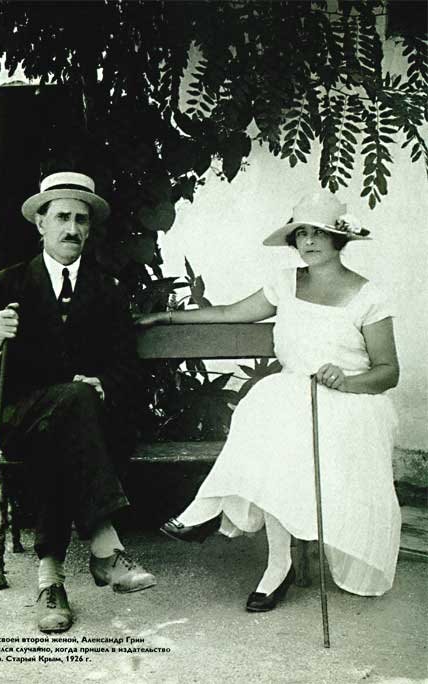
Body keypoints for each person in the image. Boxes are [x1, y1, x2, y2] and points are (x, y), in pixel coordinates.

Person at [137, 190, 400, 612]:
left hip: (352, 401)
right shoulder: (285, 283)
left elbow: (388, 372)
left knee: (277, 418)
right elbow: (229, 313)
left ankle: (211, 513)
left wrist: (346, 379)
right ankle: (274, 561)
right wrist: (166, 316)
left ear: (340, 239)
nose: (309, 241)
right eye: (301, 233)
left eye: (320, 233)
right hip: (294, 394)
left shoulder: (369, 296)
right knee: (271, 408)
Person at [0, 171, 156, 633]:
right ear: (41, 223)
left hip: (82, 422)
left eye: (81, 220)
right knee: (69, 412)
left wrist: (102, 383)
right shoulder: (8, 284)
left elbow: (127, 368)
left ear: (89, 229)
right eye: (62, 218)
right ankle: (105, 546)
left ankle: (50, 582)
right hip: (20, 415)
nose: (72, 229)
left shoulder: (107, 288)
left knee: (68, 419)